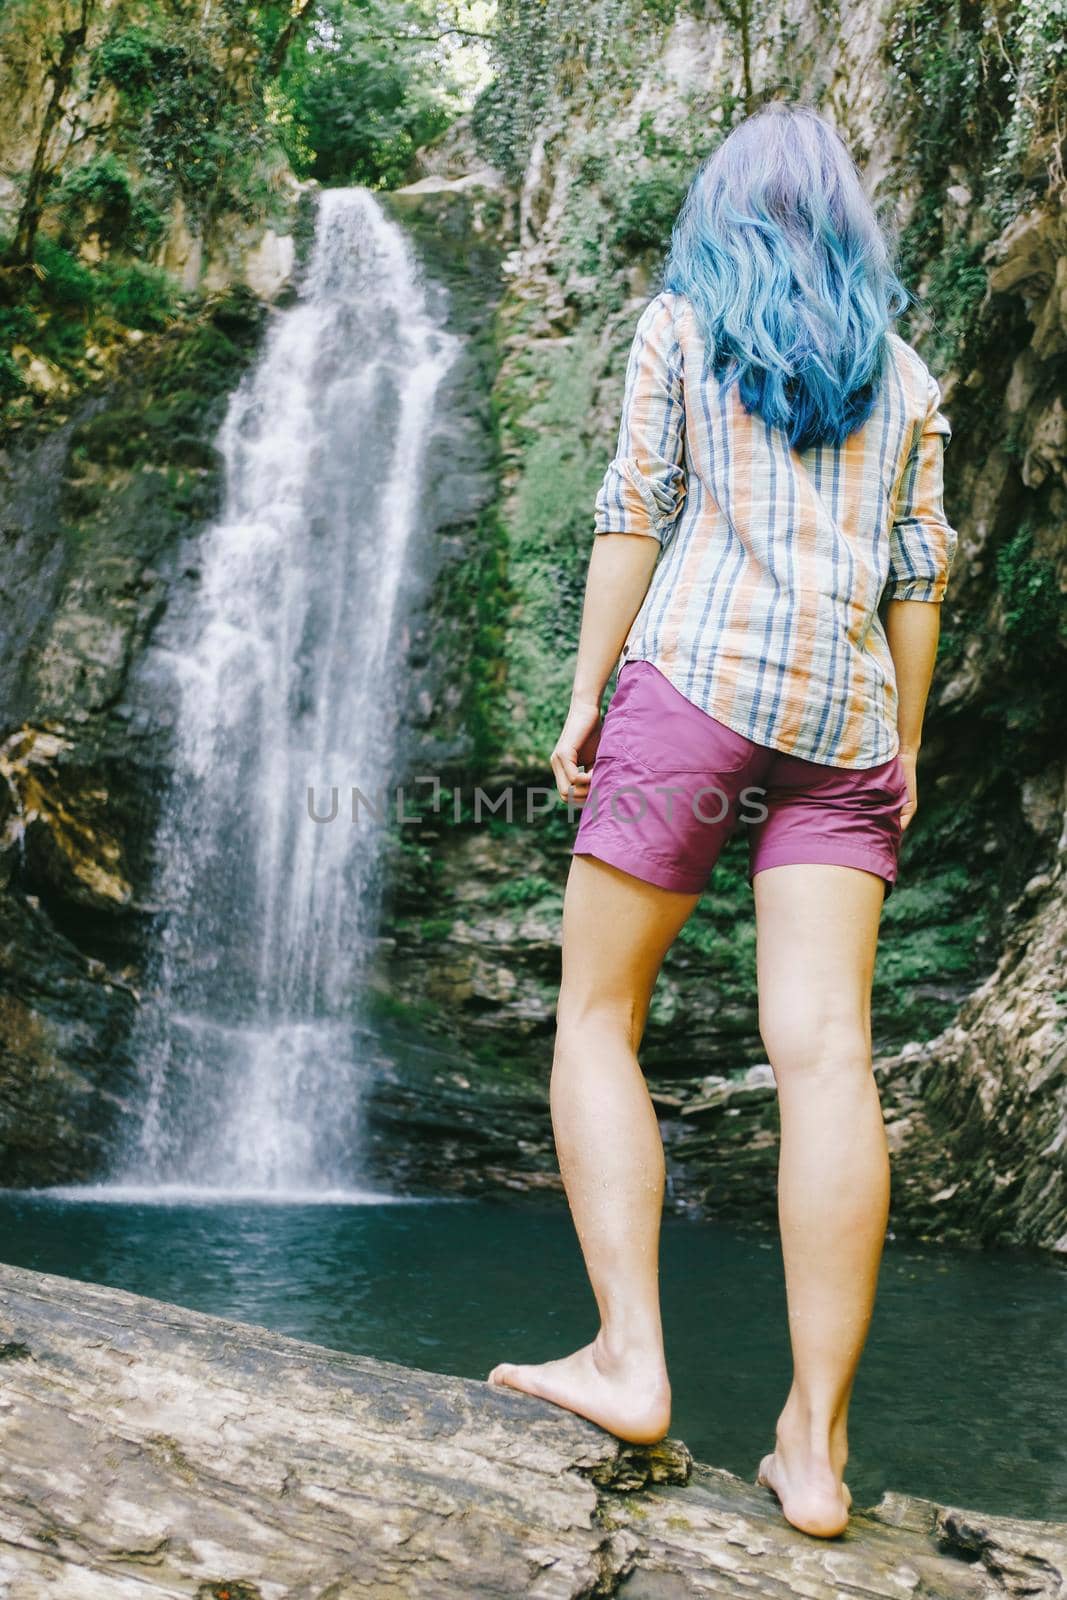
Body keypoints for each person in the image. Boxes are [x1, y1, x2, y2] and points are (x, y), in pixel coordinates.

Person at [487, 101, 957, 1540]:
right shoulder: (907, 372)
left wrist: (587, 693)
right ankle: (812, 1453)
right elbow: (918, 574)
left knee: (595, 1015)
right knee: (828, 1057)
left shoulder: (683, 324)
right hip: (847, 721)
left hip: (692, 681)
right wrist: (906, 743)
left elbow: (637, 506)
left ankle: (632, 1358)